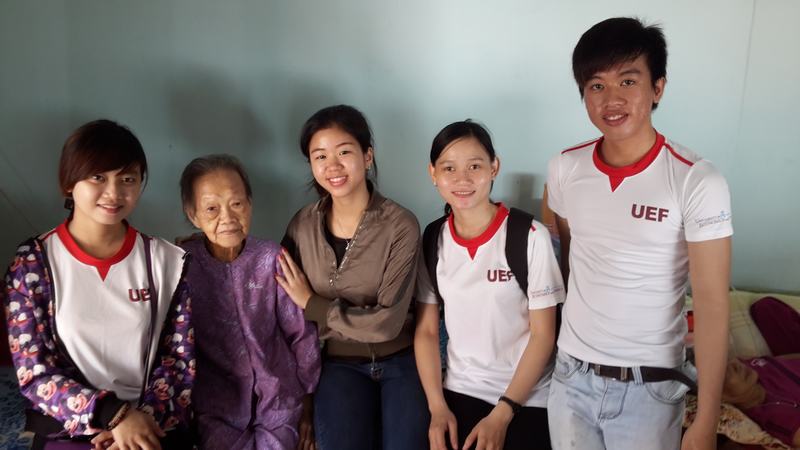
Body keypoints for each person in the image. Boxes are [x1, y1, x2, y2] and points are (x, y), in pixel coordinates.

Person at [546, 17, 733, 450]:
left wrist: (706, 419)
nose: (611, 99)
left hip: (650, 387)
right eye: (596, 85)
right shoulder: (565, 168)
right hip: (571, 377)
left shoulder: (696, 180)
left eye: (628, 81)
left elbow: (711, 303)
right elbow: (569, 255)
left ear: (658, 88)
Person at [3, 119, 194, 450]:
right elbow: (34, 372)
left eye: (127, 179)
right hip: (68, 429)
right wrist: (114, 416)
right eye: (98, 177)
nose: (114, 193)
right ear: (69, 182)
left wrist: (138, 424)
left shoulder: (166, 262)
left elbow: (179, 362)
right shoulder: (33, 265)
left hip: (151, 425)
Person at [276, 104, 429, 450]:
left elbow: (386, 324)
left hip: (401, 360)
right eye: (320, 156)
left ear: (367, 156)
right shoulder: (302, 226)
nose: (332, 166)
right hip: (338, 365)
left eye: (344, 152)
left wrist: (313, 304)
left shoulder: (400, 225)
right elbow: (279, 302)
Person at [414, 120, 564, 450]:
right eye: (449, 168)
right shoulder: (433, 238)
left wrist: (502, 413)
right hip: (459, 390)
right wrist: (437, 408)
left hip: (526, 397)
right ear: (433, 173)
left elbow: (543, 335)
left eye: (475, 166)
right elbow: (426, 331)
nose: (462, 179)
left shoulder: (529, 236)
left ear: (494, 167)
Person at [177, 155, 321, 449]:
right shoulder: (183, 266)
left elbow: (301, 333)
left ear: (250, 204)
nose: (227, 218)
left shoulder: (272, 258)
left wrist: (308, 399)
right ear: (193, 215)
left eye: (237, 204)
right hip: (216, 406)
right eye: (211, 209)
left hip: (280, 399)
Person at [722, 356, 800, 448]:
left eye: (725, 358)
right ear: (720, 399)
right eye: (723, 373)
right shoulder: (774, 418)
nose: (734, 363)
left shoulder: (751, 370)